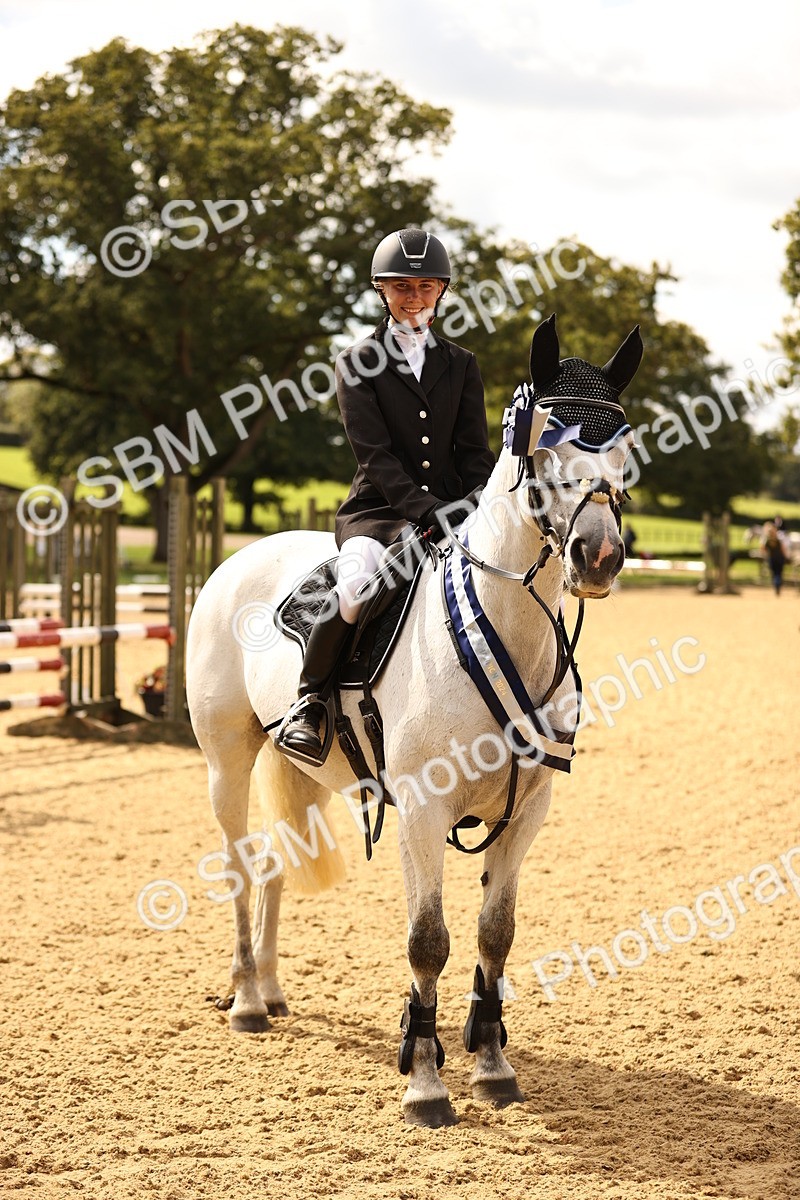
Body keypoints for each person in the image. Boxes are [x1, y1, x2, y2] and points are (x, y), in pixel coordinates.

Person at [279, 228, 495, 758]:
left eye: (425, 286)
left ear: (442, 291)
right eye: (402, 286)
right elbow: (373, 456)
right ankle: (311, 703)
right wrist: (427, 511)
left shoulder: (462, 364)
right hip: (377, 513)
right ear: (382, 290)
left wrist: (481, 507)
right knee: (355, 588)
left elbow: (473, 452)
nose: (414, 297)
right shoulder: (357, 361)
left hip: (454, 514)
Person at [761, 521, 789, 596]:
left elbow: (763, 549)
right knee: (779, 573)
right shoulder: (779, 538)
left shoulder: (767, 540)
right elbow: (783, 549)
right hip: (780, 558)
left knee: (774, 573)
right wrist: (786, 556)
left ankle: (776, 586)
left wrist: (766, 555)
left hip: (772, 559)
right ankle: (778, 586)